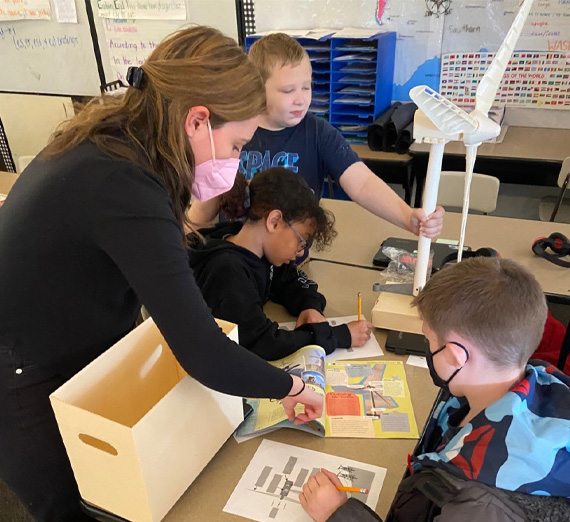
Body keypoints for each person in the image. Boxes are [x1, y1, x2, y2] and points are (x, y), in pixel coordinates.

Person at [0, 27, 322, 522]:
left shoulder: (121, 143)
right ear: (197, 120)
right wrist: (291, 387)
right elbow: (202, 351)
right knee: (78, 502)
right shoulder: (124, 183)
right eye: (237, 146)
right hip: (19, 364)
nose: (236, 166)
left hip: (68, 334)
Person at [299, 257, 570, 522]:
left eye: (429, 340)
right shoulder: (539, 382)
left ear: (455, 357)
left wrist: (337, 514)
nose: (428, 349)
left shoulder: (481, 506)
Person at [187, 33, 445, 245]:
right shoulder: (234, 131)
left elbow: (362, 183)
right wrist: (181, 243)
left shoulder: (318, 133)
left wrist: (408, 216)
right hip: (235, 259)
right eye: (288, 90)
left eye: (307, 86)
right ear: (256, 88)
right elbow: (206, 205)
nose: (301, 98)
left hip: (291, 263)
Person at [188, 167, 373, 360]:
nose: (301, 251)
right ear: (274, 221)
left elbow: (291, 280)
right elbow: (263, 343)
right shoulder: (228, 271)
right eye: (301, 240)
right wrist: (339, 336)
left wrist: (309, 306)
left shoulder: (259, 252)